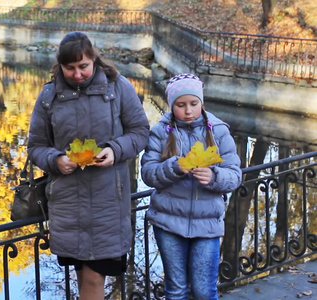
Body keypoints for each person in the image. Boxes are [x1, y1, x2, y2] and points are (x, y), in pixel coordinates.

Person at [27, 31, 150, 299]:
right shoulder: (49, 96)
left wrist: (114, 150)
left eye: (83, 66)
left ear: (94, 59)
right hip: (67, 203)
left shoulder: (118, 88)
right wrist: (56, 160)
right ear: (60, 65)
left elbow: (141, 132)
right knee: (83, 277)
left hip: (107, 202)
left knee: (94, 278)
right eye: (69, 68)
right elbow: (36, 147)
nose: (78, 74)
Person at [141, 73, 242, 300]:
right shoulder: (160, 132)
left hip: (206, 225)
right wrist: (174, 168)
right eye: (181, 105)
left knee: (203, 291)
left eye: (194, 104)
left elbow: (235, 176)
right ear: (171, 105)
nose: (188, 111)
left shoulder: (218, 131)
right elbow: (148, 174)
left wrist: (214, 176)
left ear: (202, 102)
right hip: (168, 222)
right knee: (176, 290)